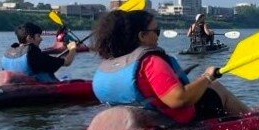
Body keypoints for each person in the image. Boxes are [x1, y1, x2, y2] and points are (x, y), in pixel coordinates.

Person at [91, 10, 249, 123]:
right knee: (216, 87)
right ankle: (253, 120)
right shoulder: (151, 62)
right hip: (168, 121)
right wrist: (207, 76)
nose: (158, 34)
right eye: (156, 31)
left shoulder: (111, 63)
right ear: (142, 36)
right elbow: (179, 99)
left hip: (135, 120)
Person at [2, 22, 78, 82]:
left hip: (17, 88)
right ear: (29, 38)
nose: (41, 39)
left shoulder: (8, 53)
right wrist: (72, 48)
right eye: (38, 36)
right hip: (37, 90)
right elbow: (67, 62)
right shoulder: (33, 54)